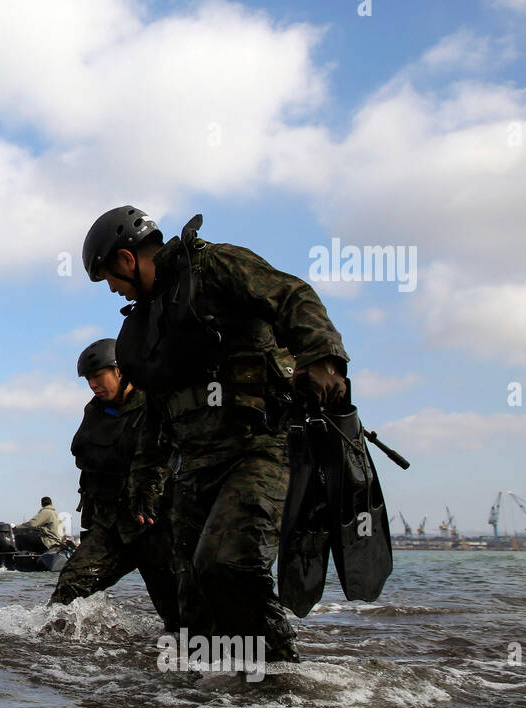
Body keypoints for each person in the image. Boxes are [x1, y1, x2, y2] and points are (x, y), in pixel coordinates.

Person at [82, 206, 350, 662]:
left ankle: (281, 675)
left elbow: (291, 296)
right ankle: (208, 700)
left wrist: (322, 356)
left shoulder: (214, 268)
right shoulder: (145, 328)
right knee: (190, 592)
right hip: (194, 466)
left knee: (228, 563)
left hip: (260, 446)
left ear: (127, 259)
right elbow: (155, 410)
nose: (111, 288)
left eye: (110, 277)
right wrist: (145, 478)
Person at [48, 341, 178, 629]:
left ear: (120, 371)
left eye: (99, 376)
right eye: (89, 380)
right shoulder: (94, 411)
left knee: (178, 612)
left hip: (157, 527)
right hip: (111, 526)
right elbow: (84, 455)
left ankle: (196, 665)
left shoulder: (156, 403)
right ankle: (50, 658)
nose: (94, 385)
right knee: (68, 591)